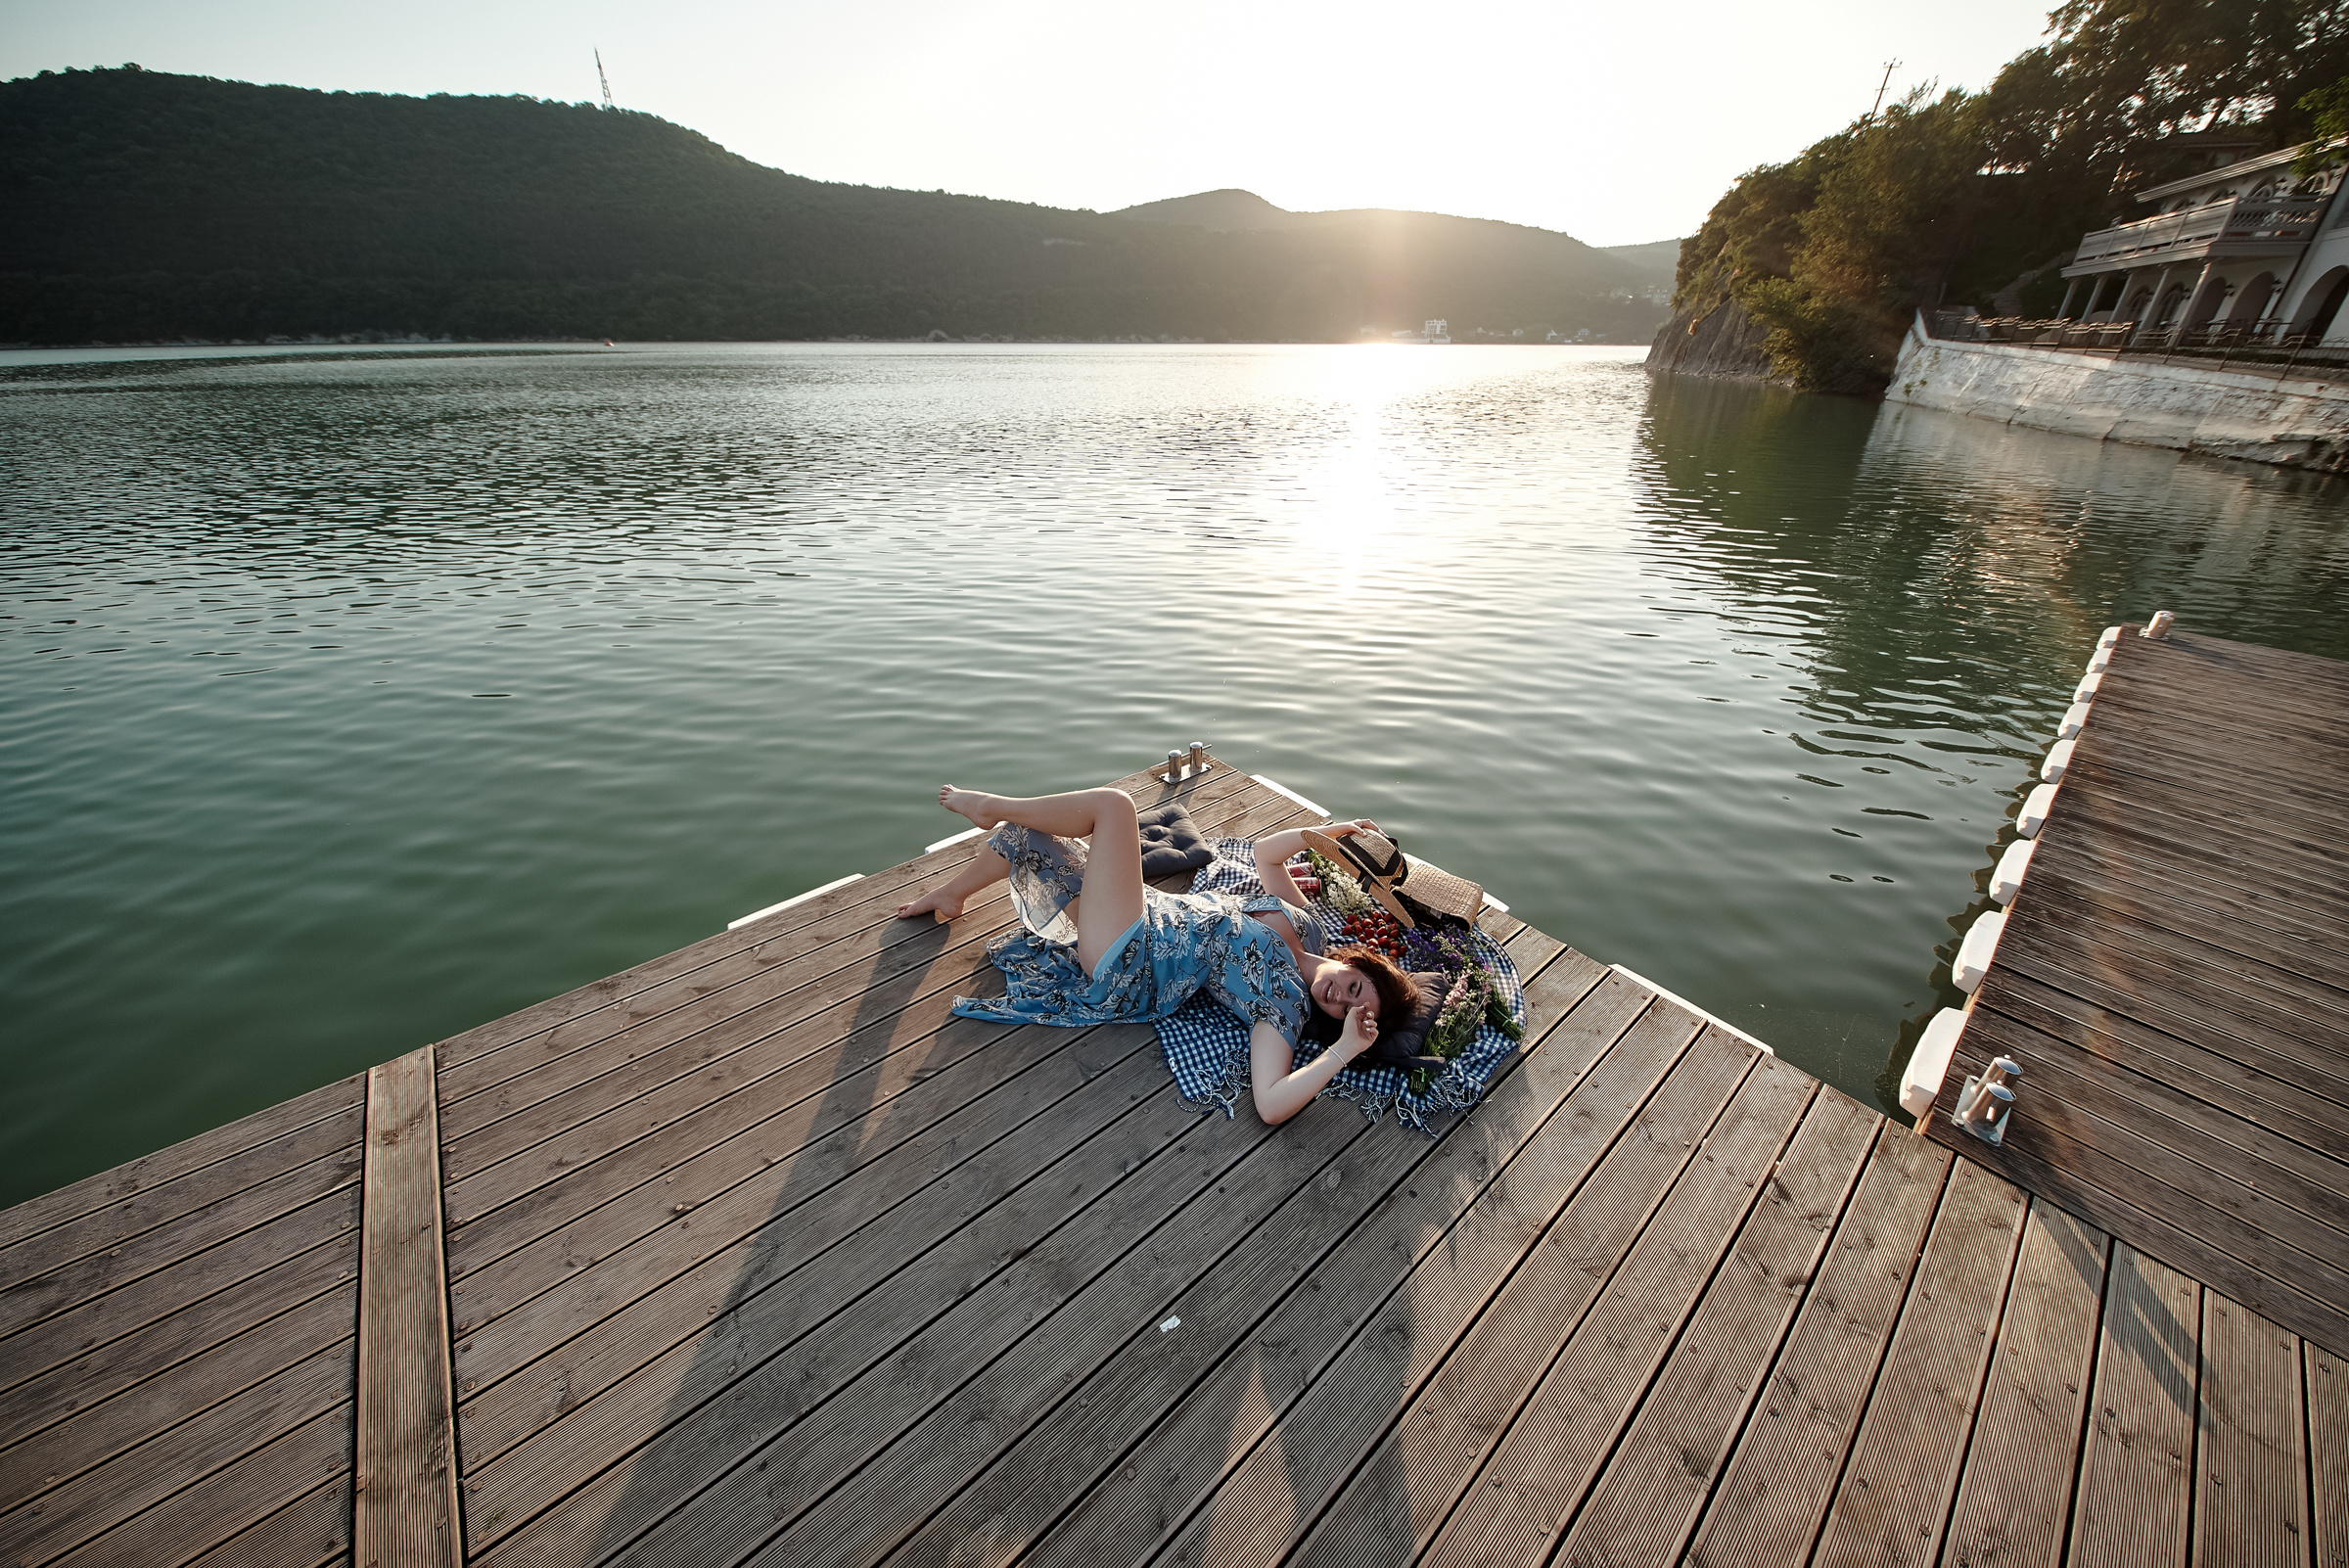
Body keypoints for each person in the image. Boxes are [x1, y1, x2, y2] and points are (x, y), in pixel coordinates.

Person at [895, 786, 1415, 1124]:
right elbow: (1265, 854)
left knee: (1114, 807)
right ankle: (953, 894)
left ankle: (990, 808)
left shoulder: (1285, 1008)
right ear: (1359, 964)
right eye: (1353, 989)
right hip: (1145, 913)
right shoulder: (1311, 927)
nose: (1336, 996)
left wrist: (1345, 1047)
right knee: (1030, 836)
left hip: (1132, 960)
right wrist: (1330, 836)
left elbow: (1271, 1103)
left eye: (1342, 1011)